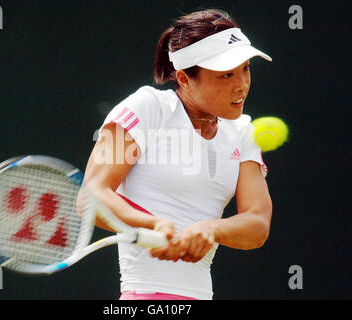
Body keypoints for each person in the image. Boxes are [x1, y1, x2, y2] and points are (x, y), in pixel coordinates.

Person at [79, 9, 273, 300]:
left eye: (245, 68)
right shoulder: (147, 107)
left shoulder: (244, 131)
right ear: (183, 78)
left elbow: (257, 224)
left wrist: (212, 229)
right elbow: (91, 196)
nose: (241, 84)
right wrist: (153, 224)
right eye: (226, 75)